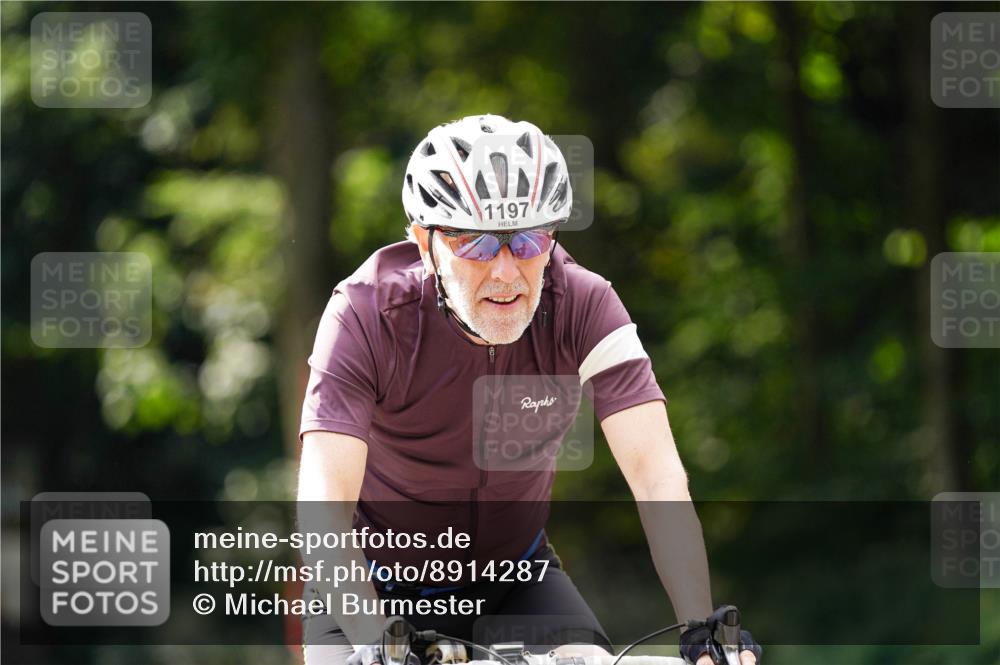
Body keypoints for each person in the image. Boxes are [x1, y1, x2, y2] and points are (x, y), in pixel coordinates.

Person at [297, 114, 762, 665]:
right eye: (475, 243)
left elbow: (655, 473)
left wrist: (699, 628)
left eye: (527, 239)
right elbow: (322, 508)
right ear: (425, 242)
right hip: (373, 586)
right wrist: (380, 645)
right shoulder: (365, 313)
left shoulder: (585, 305)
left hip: (515, 579)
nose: (506, 273)